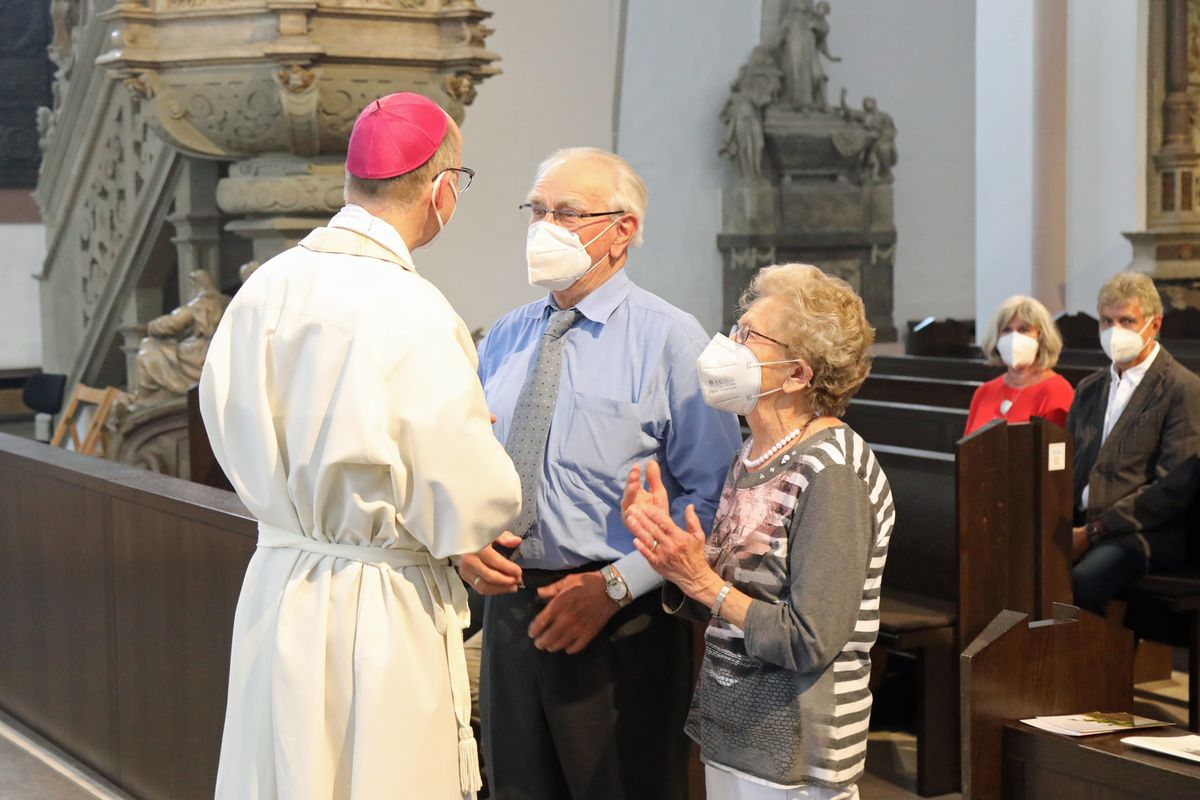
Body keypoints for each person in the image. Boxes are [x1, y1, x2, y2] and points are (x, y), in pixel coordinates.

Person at [199, 92, 521, 799]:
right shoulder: (412, 306)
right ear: (441, 190)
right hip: (378, 605)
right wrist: (474, 449)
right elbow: (471, 501)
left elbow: (224, 416)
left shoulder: (266, 286)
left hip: (280, 582)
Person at [464, 147, 742, 799]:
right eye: (536, 210)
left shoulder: (671, 339)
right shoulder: (506, 335)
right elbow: (472, 458)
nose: (544, 227)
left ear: (622, 230)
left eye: (566, 213)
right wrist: (464, 541)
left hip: (622, 615)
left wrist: (617, 586)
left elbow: (716, 496)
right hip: (509, 602)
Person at [624, 263, 891, 800]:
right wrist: (671, 551)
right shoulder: (753, 452)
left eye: (749, 336)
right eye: (737, 328)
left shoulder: (833, 471)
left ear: (797, 374)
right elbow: (734, 600)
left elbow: (809, 639)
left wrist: (703, 582)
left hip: (798, 751)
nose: (729, 344)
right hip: (734, 731)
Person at [1067, 271, 1200, 616]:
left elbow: (1172, 488)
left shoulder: (1182, 389)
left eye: (1126, 321)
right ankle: (1034, 652)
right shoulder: (1089, 389)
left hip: (1143, 532)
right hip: (1081, 521)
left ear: (1154, 324)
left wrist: (1095, 531)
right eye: (1107, 321)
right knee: (1016, 561)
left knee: (1084, 579)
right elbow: (1068, 464)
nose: (1115, 331)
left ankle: (1091, 653)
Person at [963, 294, 1074, 436]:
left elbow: (1055, 447)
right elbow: (967, 445)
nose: (1014, 338)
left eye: (1024, 329)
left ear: (1041, 337)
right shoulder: (983, 392)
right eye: (1006, 330)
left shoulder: (1056, 391)